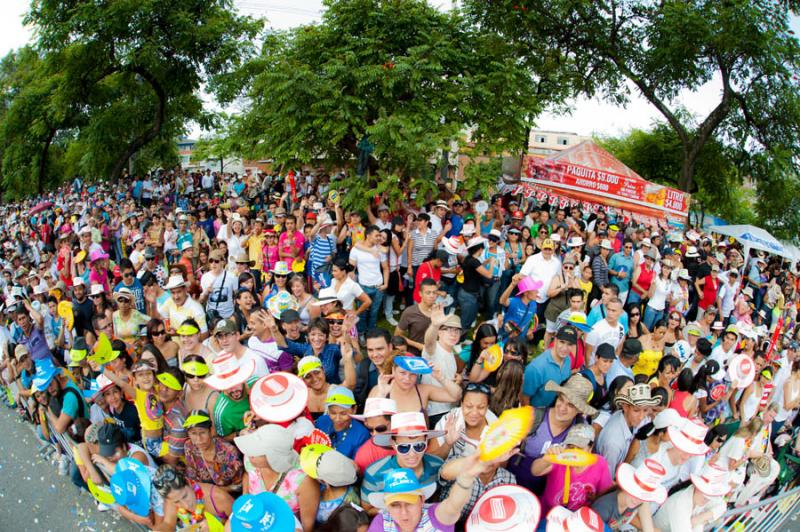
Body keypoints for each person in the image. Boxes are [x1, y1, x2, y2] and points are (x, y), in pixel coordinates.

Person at [509, 374, 597, 493]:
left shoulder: (580, 431)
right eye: (561, 399)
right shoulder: (534, 416)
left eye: (570, 405)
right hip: (515, 481)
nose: (562, 408)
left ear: (580, 410)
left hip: (547, 492)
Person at [235, 423, 320, 531]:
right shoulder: (250, 459)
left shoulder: (303, 481)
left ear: (274, 458)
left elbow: (307, 526)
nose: (249, 453)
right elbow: (248, 475)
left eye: (256, 452)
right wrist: (245, 496)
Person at [361, 411, 446, 516]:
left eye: (419, 446)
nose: (412, 454)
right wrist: (396, 510)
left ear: (426, 442)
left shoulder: (437, 465)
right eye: (404, 447)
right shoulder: (374, 473)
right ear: (393, 444)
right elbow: (367, 509)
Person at [535, 423, 612, 515]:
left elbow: (603, 493)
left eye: (580, 448)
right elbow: (535, 471)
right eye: (571, 447)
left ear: (590, 448)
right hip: (549, 513)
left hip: (577, 518)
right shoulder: (560, 458)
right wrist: (546, 459)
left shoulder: (600, 463)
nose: (575, 452)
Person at [596, 383, 662, 478]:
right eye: (636, 410)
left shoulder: (624, 417)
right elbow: (607, 478)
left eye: (645, 410)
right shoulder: (613, 443)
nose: (641, 417)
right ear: (626, 407)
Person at [591, 459, 667, 531]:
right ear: (627, 486)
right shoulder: (603, 508)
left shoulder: (634, 503)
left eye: (643, 496)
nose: (638, 500)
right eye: (635, 492)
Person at [152, 464, 234, 531]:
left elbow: (241, 523)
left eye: (185, 496)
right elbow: (168, 524)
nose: (186, 505)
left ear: (188, 482)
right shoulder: (172, 497)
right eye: (177, 502)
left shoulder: (218, 497)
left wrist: (214, 525)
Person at [428, 382, 497, 460]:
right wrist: (447, 444)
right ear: (462, 404)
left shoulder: (496, 426)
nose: (474, 413)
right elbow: (430, 461)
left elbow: (501, 464)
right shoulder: (449, 421)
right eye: (469, 406)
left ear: (487, 407)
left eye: (481, 407)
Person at [183, 409, 243, 489]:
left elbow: (239, 485)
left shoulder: (229, 452)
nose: (199, 439)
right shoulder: (189, 446)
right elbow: (192, 477)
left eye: (202, 432)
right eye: (193, 433)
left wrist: (215, 492)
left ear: (211, 431)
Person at [522, 325, 577, 409]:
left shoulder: (568, 360)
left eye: (569, 344)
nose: (565, 348)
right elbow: (524, 398)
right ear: (555, 340)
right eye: (562, 342)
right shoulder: (536, 368)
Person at [315, 385, 371, 459]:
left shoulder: (361, 435)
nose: (337, 419)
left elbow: (358, 466)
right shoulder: (321, 422)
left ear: (354, 410)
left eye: (343, 413)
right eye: (333, 413)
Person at [395, 278, 437, 355]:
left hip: (434, 352)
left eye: (434, 292)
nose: (432, 296)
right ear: (420, 293)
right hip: (415, 353)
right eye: (428, 293)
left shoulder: (439, 310)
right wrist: (418, 346)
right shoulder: (410, 312)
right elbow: (397, 335)